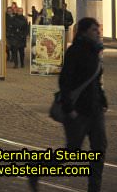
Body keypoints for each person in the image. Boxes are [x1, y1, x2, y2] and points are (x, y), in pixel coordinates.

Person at [30, 17, 108, 192]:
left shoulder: (95, 51)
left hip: (95, 110)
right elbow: (65, 81)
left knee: (99, 148)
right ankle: (37, 168)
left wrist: (102, 100)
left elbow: (95, 80)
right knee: (72, 150)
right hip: (78, 111)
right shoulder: (76, 51)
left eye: (98, 29)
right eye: (95, 29)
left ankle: (94, 188)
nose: (98, 32)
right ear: (84, 31)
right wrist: (69, 108)